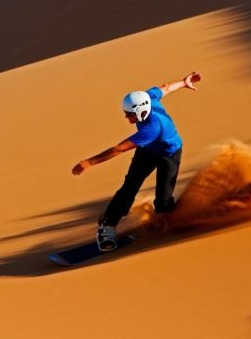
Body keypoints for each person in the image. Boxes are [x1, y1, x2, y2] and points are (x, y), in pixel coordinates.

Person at [71, 71, 202, 251]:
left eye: (129, 114)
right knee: (130, 186)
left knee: (164, 203)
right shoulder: (147, 98)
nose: (127, 118)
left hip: (169, 153)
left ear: (141, 111)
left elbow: (119, 149)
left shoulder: (152, 127)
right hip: (148, 150)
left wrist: (90, 162)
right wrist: (183, 82)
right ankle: (107, 226)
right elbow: (165, 88)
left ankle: (166, 217)